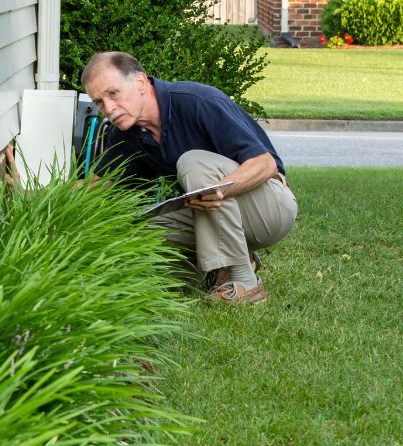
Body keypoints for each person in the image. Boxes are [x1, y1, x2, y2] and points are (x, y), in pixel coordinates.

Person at [82, 51, 296, 304]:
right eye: (99, 102)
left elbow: (266, 163)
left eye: (113, 93)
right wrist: (35, 196)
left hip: (270, 209)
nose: (108, 108)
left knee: (193, 162)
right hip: (215, 215)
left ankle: (244, 282)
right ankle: (201, 276)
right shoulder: (126, 135)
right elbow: (95, 187)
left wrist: (221, 190)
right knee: (138, 228)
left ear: (140, 82)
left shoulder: (197, 101)